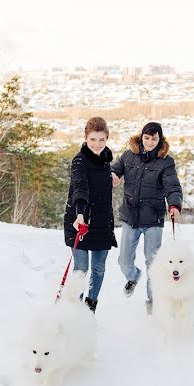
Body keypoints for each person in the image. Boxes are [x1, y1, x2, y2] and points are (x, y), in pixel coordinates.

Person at [110, 121, 183, 314]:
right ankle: (133, 277)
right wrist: (113, 176)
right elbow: (115, 170)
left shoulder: (166, 161)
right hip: (130, 217)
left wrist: (174, 204)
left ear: (160, 140)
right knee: (124, 261)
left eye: (154, 138)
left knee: (154, 263)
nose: (150, 142)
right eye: (147, 137)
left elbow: (172, 185)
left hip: (153, 220)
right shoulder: (128, 155)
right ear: (141, 137)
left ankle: (153, 301)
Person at [63, 117, 117, 312]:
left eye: (102, 140)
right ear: (86, 138)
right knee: (81, 269)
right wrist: (79, 214)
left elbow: (99, 178)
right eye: (93, 139)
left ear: (107, 139)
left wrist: (110, 175)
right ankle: (75, 310)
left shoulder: (105, 161)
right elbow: (80, 188)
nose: (97, 144)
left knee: (99, 269)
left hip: (102, 222)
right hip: (80, 221)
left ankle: (90, 306)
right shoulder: (79, 161)